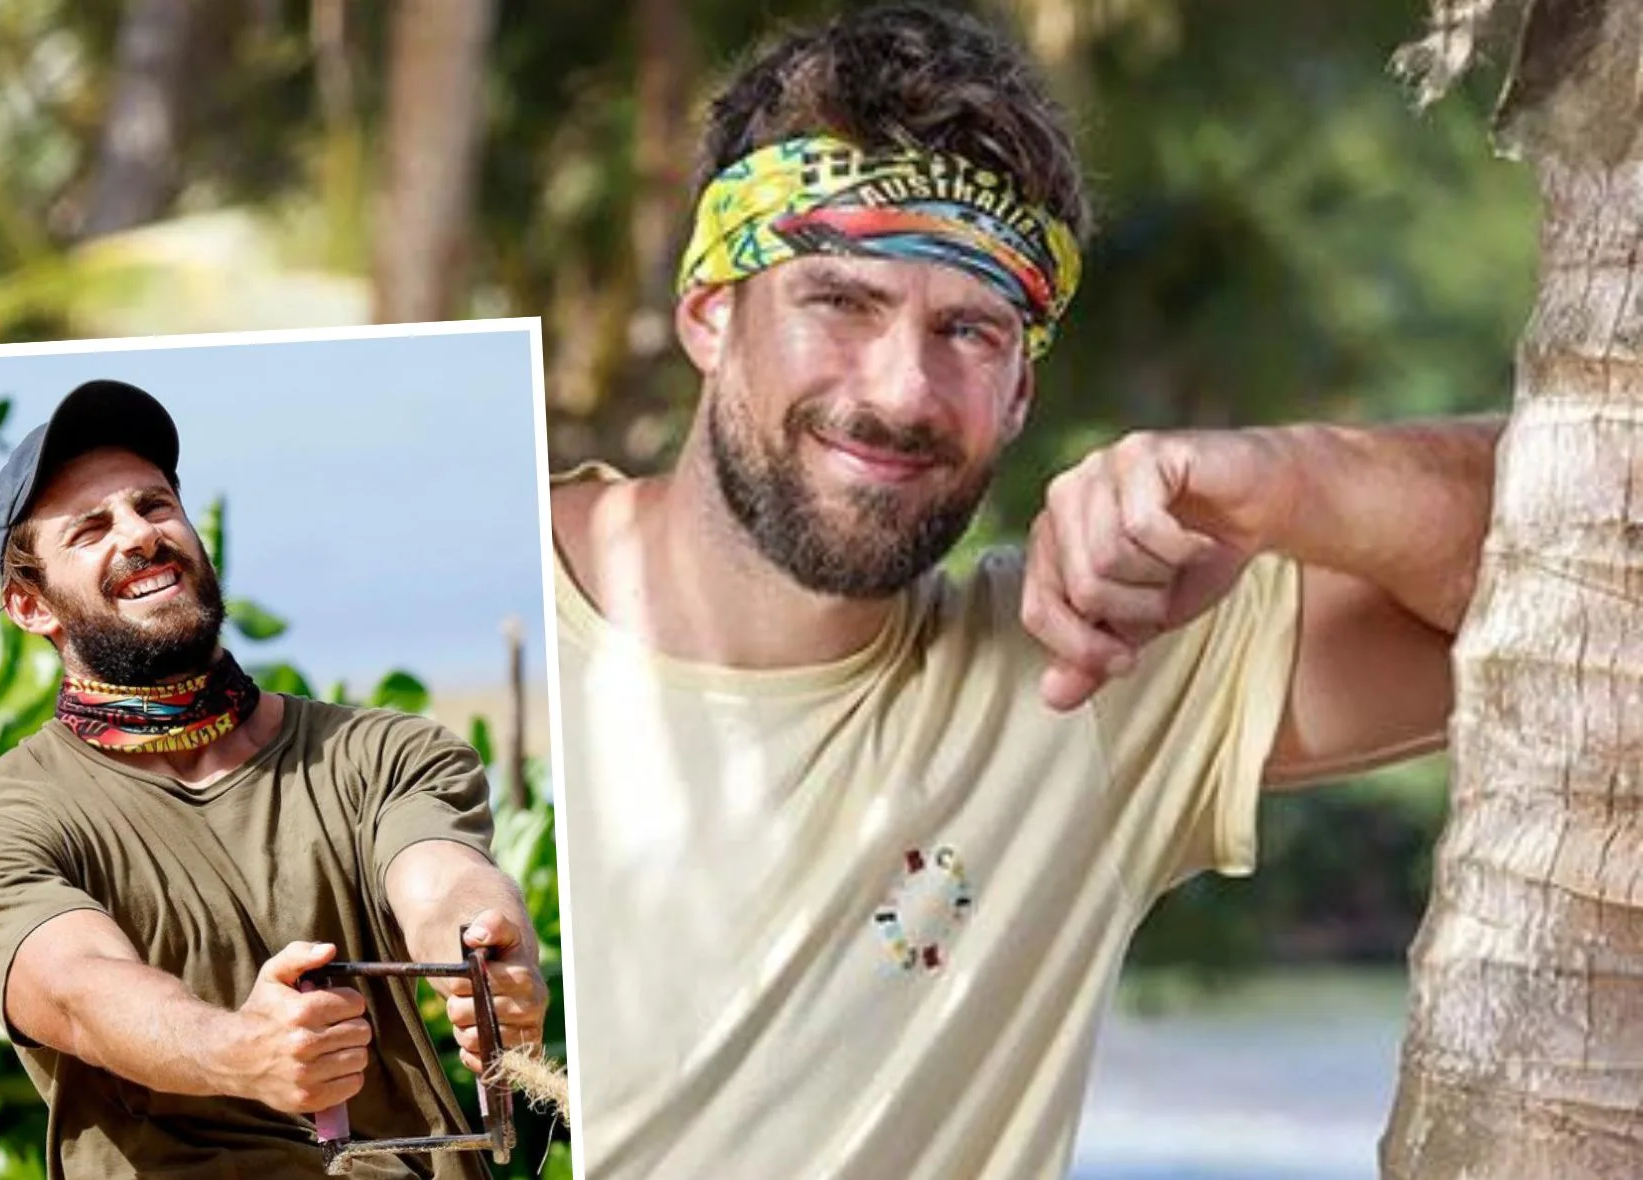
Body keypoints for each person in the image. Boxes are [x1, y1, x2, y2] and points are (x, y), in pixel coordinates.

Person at [549, 4, 1497, 1178]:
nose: (901, 390)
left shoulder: (1087, 673)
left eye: (971, 330)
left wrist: (1282, 481)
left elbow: (1597, 564)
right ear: (710, 311)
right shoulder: (459, 589)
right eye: (839, 301)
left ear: (1020, 399)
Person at [0, 379, 548, 1179]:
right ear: (28, 605)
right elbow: (80, 988)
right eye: (90, 529)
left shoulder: (386, 751)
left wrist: (490, 953)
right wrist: (238, 1051)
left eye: (153, 505)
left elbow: (440, 880)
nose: (139, 536)